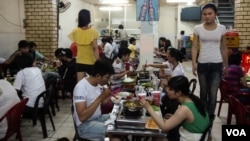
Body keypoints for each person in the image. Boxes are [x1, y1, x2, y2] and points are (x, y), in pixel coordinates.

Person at [140, 75, 210, 141]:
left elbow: (164, 127)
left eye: (170, 89)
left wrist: (148, 107)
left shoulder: (184, 108)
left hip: (192, 138)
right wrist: (175, 117)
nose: (167, 90)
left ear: (179, 93)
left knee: (162, 132)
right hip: (199, 134)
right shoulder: (192, 99)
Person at [191, 3, 228, 117]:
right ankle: (203, 117)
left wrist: (226, 65)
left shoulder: (222, 28)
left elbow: (224, 47)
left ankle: (210, 120)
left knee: (213, 94)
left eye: (210, 14)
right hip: (202, 64)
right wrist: (193, 63)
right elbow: (194, 47)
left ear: (215, 14)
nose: (207, 16)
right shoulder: (198, 28)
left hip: (217, 65)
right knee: (203, 92)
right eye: (204, 14)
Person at [73, 60, 120, 141]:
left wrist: (108, 97)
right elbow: (82, 117)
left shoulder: (98, 85)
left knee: (119, 121)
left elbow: (101, 103)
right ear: (98, 76)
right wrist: (100, 98)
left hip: (97, 118)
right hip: (84, 125)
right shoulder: (81, 87)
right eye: (107, 77)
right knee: (114, 133)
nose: (108, 80)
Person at [68, 9, 99, 82]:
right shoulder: (93, 31)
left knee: (80, 85)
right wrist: (98, 62)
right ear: (88, 19)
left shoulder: (75, 31)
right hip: (91, 62)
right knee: (93, 83)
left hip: (80, 62)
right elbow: (95, 48)